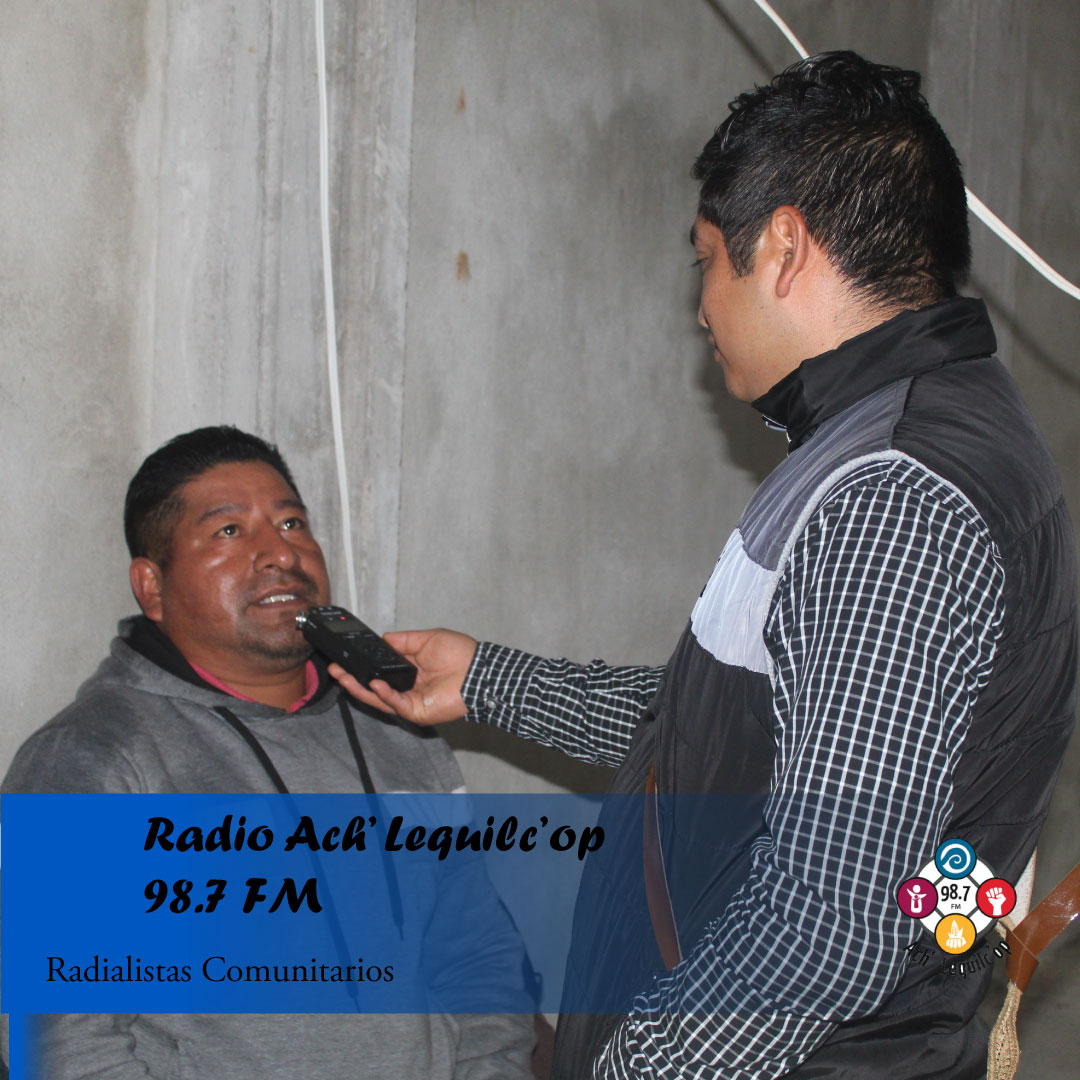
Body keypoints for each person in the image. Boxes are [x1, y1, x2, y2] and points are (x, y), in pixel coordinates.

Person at [334, 52, 1078, 1079]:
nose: (701, 308)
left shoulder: (895, 496)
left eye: (707, 261)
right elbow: (745, 738)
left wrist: (635, 1068)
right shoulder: (897, 442)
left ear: (782, 247)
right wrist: (491, 681)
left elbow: (826, 925)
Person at [2, 425, 535, 1080]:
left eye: (291, 523)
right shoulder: (90, 760)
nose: (280, 552)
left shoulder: (398, 729)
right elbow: (64, 1043)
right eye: (229, 531)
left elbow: (478, 960)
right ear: (152, 586)